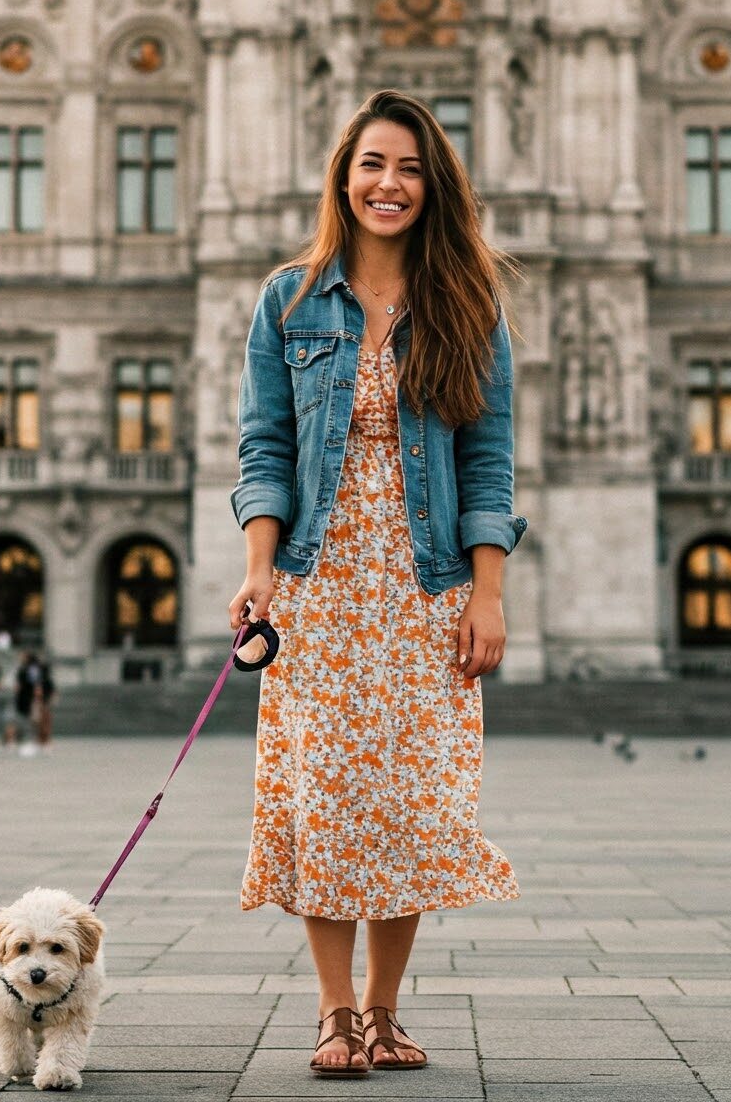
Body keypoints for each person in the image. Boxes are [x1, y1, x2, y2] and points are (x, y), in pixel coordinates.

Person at [229, 90, 522, 1077]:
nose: (386, 185)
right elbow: (263, 445)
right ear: (342, 179)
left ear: (431, 186)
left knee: (406, 801)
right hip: (318, 582)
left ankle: (386, 1009)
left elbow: (487, 460)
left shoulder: (468, 303)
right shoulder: (287, 298)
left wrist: (485, 593)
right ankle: (332, 1011)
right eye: (370, 166)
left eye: (406, 169)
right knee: (320, 796)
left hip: (422, 583)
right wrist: (258, 571)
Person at [9, 650, 50, 758]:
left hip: (28, 699)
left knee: (31, 721)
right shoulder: (24, 668)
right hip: (23, 698)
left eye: (23, 656)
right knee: (25, 721)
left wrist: (37, 699)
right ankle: (24, 742)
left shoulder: (32, 669)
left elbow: (37, 686)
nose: (20, 658)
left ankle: (32, 743)